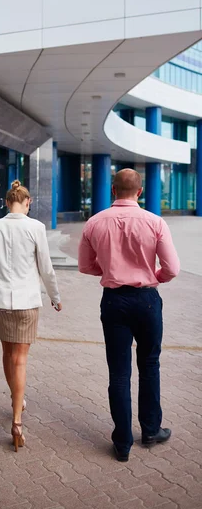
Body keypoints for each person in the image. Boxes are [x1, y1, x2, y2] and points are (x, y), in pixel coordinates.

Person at [78, 169, 180, 462]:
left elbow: (85, 265)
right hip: (146, 299)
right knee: (149, 364)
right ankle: (150, 430)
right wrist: (154, 275)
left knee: (119, 372)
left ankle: (122, 443)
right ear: (140, 191)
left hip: (114, 301)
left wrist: (110, 271)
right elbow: (172, 268)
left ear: (112, 190)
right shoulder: (155, 222)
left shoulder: (95, 222)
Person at [0, 180, 62, 452]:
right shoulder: (36, 227)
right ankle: (17, 420)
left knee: (7, 353)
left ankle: (16, 399)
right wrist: (55, 296)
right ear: (27, 202)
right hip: (27, 302)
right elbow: (46, 269)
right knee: (21, 358)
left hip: (0, 300)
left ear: (6, 202)